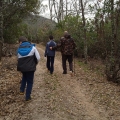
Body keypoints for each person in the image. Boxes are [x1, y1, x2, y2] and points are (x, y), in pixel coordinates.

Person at [17, 36, 40, 101]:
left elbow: (18, 58)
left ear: (20, 42)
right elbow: (38, 58)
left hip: (22, 68)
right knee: (30, 82)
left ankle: (22, 90)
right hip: (30, 68)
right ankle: (27, 96)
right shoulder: (32, 47)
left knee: (24, 76)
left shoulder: (19, 49)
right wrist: (35, 63)